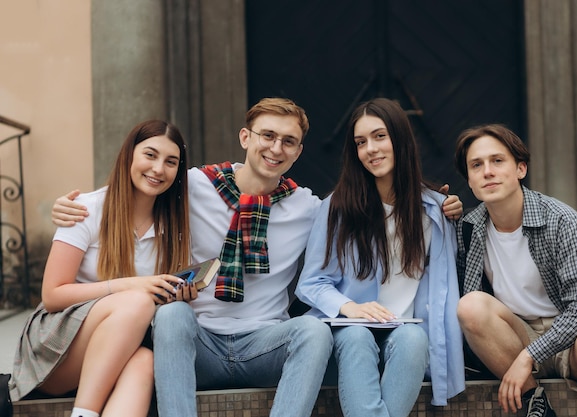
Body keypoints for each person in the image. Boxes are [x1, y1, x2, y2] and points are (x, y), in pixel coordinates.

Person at [51, 97, 464, 417]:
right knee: (171, 315)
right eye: (267, 135)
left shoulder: (309, 207)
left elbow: (372, 214)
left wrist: (440, 205)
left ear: (299, 152)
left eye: (288, 141)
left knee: (313, 331)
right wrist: (72, 207)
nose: (276, 148)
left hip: (267, 342)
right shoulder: (193, 185)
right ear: (246, 137)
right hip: (199, 340)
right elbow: (136, 187)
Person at [10, 120, 192, 417]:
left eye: (171, 162)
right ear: (129, 155)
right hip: (56, 349)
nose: (159, 169)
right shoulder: (87, 208)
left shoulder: (174, 226)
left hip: (122, 348)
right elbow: (53, 295)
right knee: (136, 300)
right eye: (150, 154)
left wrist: (175, 295)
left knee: (145, 362)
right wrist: (130, 286)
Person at [296, 98, 465, 417]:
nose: (370, 149)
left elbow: (449, 281)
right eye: (361, 142)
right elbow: (311, 283)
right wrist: (352, 308)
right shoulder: (337, 208)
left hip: (404, 335)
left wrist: (454, 216)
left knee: (415, 338)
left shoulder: (434, 211)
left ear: (400, 139)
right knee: (358, 334)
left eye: (379, 136)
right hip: (346, 334)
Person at [454, 123, 577, 417]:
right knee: (470, 306)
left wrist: (529, 356)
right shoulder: (468, 228)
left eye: (498, 161)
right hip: (514, 337)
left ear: (521, 169)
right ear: (469, 181)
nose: (488, 172)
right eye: (476, 165)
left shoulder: (561, 220)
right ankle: (536, 404)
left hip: (573, 340)